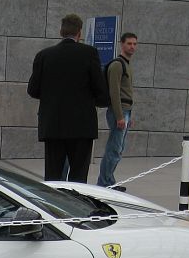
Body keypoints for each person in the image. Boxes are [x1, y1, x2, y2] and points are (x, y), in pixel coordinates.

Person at [27, 13, 108, 183]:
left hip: (53, 124)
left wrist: (51, 98)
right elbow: (100, 89)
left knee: (53, 176)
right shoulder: (89, 53)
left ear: (61, 32)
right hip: (81, 125)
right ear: (79, 33)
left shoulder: (44, 55)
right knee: (79, 177)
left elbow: (33, 90)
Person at [98, 32, 139, 190]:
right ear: (122, 44)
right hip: (119, 111)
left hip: (125, 110)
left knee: (118, 148)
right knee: (114, 148)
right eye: (129, 43)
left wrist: (129, 115)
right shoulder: (117, 65)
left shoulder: (127, 64)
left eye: (134, 44)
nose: (132, 46)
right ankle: (105, 182)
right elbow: (114, 92)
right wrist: (120, 116)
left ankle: (108, 180)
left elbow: (127, 92)